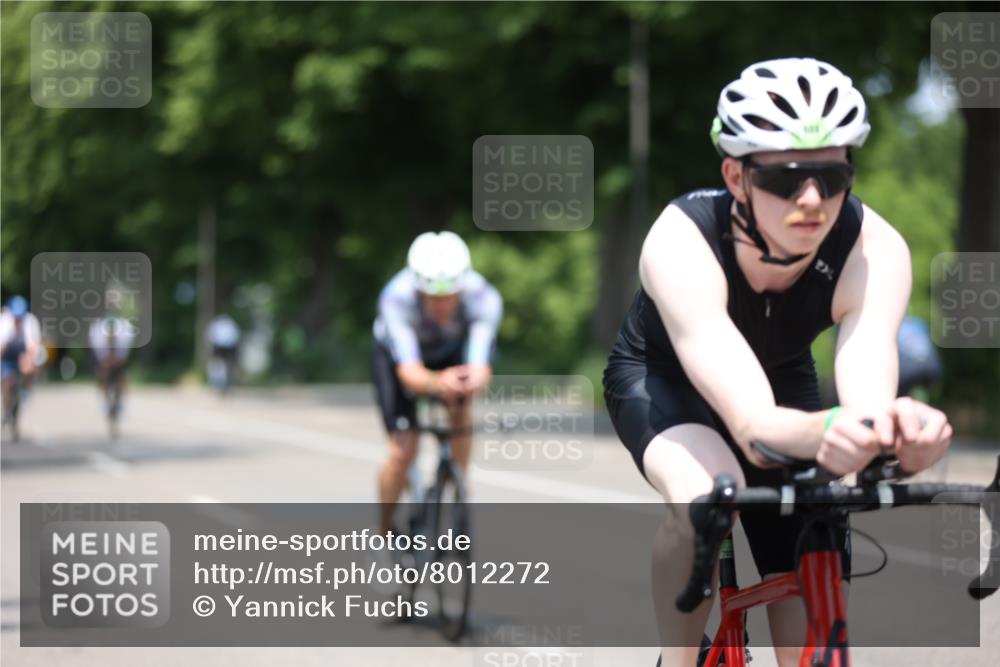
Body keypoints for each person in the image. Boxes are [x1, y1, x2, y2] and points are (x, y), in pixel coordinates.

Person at [601, 58, 953, 667]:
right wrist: (827, 432)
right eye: (787, 178)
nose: (812, 199)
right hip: (664, 378)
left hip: (780, 381)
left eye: (832, 174)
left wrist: (896, 437)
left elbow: (867, 385)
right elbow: (752, 421)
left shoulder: (875, 248)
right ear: (736, 176)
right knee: (703, 494)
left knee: (812, 532)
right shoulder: (681, 238)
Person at [372, 231, 502, 536]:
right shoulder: (396, 297)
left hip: (450, 350)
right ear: (419, 289)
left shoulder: (483, 297)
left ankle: (458, 479)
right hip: (400, 359)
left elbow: (480, 364)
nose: (442, 304)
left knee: (461, 409)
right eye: (433, 297)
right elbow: (409, 372)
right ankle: (381, 534)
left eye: (449, 296)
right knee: (401, 451)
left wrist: (472, 378)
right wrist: (435, 382)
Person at [1, 296, 43, 439]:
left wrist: (28, 361)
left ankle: (26, 391)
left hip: (23, 355)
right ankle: (7, 409)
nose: (18, 319)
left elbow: (33, 347)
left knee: (31, 369)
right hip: (7, 356)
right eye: (15, 316)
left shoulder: (31, 322)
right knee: (7, 383)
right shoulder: (4, 321)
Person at [89, 315, 136, 435]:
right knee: (102, 374)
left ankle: (122, 401)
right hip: (104, 360)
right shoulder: (98, 335)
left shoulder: (125, 334)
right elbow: (100, 357)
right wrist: (105, 363)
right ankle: (104, 398)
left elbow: (123, 356)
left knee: (123, 378)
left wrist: (117, 360)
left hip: (119, 360)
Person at [206, 313, 241, 393]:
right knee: (222, 364)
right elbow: (236, 336)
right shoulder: (231, 323)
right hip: (227, 346)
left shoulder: (217, 324)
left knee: (219, 364)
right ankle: (222, 382)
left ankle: (219, 382)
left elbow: (210, 336)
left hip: (220, 346)